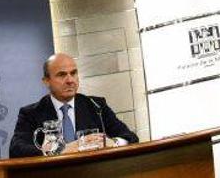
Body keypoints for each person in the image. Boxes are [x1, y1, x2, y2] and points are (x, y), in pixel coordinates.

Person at [9, 53, 138, 158]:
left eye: (73, 73)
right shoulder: (31, 113)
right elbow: (16, 150)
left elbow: (130, 137)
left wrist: (113, 143)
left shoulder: (96, 106)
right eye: (62, 75)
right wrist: (59, 150)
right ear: (46, 81)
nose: (70, 80)